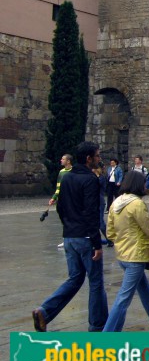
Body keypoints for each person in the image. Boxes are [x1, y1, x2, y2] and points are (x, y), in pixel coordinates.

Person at [32, 141, 108, 332]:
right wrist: (97, 243)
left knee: (75, 278)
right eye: (97, 156)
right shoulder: (90, 180)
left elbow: (60, 207)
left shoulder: (66, 178)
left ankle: (45, 311)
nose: (99, 159)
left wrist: (68, 226)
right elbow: (92, 213)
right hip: (86, 238)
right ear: (89, 158)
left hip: (70, 236)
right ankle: (98, 325)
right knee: (96, 281)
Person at [103, 171, 149, 332]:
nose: (145, 186)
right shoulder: (136, 204)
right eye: (144, 183)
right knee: (123, 299)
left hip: (122, 255)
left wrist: (122, 240)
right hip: (136, 256)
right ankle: (107, 336)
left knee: (146, 291)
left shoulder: (115, 203)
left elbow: (110, 233)